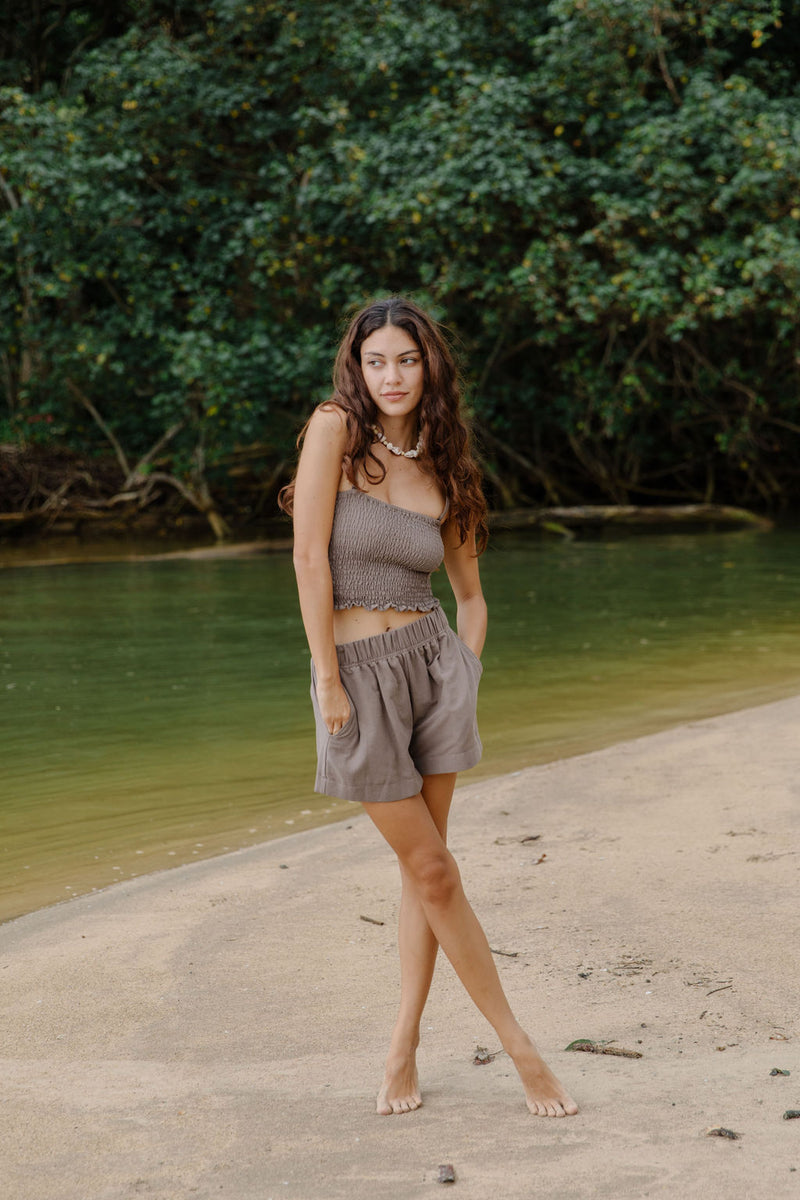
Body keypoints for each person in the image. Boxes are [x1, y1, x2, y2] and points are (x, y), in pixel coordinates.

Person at [279, 296, 578, 1118]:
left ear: (429, 365)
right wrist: (328, 677)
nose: (392, 376)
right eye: (377, 360)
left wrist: (464, 673)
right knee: (434, 869)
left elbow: (472, 596)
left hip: (434, 668)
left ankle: (403, 1045)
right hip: (356, 674)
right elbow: (309, 559)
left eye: (406, 360)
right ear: (357, 366)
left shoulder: (447, 462)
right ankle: (521, 1050)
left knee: (426, 874)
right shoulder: (335, 430)